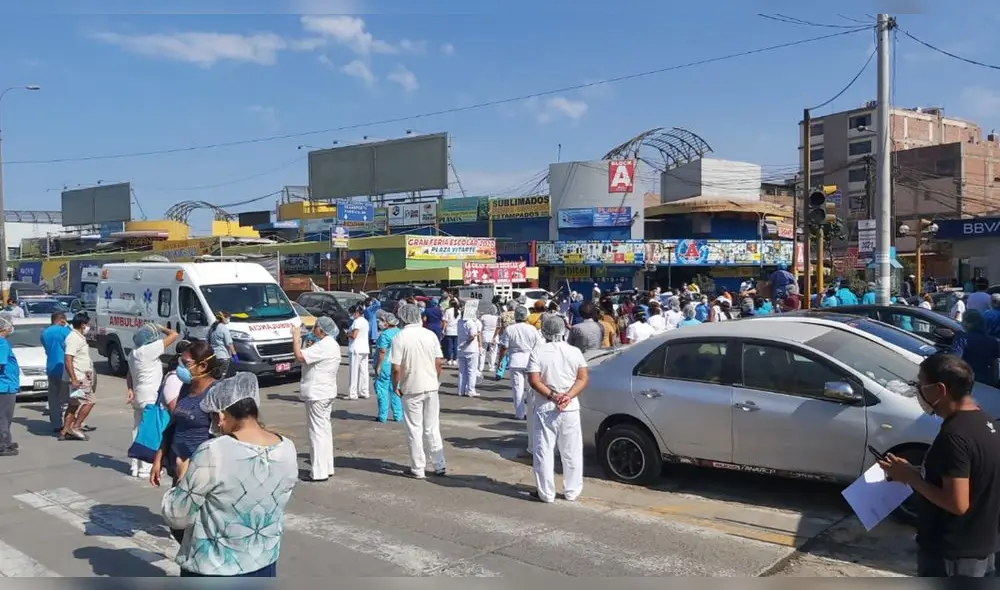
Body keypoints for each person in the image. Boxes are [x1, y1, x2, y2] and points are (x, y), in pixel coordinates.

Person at [161, 372, 297, 577]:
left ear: (222, 415)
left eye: (213, 417)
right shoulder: (287, 447)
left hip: (215, 566)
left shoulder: (213, 451)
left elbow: (178, 515)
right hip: (263, 562)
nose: (214, 424)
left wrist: (182, 476)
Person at [878, 354, 1000, 578]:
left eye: (920, 384)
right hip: (981, 546)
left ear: (939, 390)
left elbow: (957, 503)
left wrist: (911, 478)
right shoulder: (986, 421)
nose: (918, 391)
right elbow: (972, 478)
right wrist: (913, 471)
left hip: (953, 556)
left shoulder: (954, 436)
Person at [151, 341, 219, 543]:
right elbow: (172, 427)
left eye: (186, 362)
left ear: (203, 366)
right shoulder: (185, 389)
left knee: (196, 530)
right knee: (178, 526)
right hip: (177, 469)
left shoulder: (215, 393)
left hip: (201, 474)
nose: (180, 367)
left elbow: (222, 436)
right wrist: (158, 459)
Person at [526, 314, 588, 503]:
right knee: (572, 451)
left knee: (544, 450)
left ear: (543, 331)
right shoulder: (574, 351)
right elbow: (582, 378)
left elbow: (534, 380)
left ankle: (546, 493)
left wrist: (553, 396)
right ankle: (572, 491)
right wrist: (568, 396)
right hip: (569, 407)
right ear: (563, 330)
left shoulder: (538, 352)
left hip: (546, 406)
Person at [390, 304, 446, 479]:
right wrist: (434, 378)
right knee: (432, 427)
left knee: (414, 429)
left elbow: (396, 368)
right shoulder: (430, 335)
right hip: (431, 386)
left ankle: (418, 467)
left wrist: (395, 386)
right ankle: (439, 464)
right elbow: (439, 362)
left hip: (411, 386)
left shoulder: (400, 337)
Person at [126, 323, 180, 478]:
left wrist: (130, 389)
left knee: (137, 429)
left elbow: (129, 375)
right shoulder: (148, 350)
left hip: (138, 395)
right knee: (150, 430)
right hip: (150, 396)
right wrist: (161, 328)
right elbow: (174, 335)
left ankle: (135, 466)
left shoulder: (134, 352)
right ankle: (146, 467)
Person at [291, 316, 340, 482]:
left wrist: (296, 337)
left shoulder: (325, 345)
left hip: (317, 392)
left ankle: (319, 472)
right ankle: (327, 466)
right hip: (326, 391)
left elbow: (299, 356)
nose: (314, 330)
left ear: (322, 330)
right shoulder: (331, 344)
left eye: (316, 327)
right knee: (325, 430)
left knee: (316, 432)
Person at [497, 306, 542, 421]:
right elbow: (538, 346)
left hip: (515, 360)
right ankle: (533, 413)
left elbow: (504, 347)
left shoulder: (510, 329)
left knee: (517, 388)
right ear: (526, 315)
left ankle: (519, 413)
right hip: (530, 360)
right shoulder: (532, 329)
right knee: (532, 389)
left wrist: (500, 360)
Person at [62, 312, 96, 441]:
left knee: (74, 404)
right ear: (82, 325)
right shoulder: (73, 338)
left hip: (82, 374)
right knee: (90, 401)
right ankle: (76, 426)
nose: (88, 327)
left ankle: (65, 430)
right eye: (87, 324)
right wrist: (74, 378)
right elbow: (68, 359)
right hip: (79, 377)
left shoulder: (79, 337)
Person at [950, 310, 1000, 387]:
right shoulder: (993, 341)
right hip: (986, 382)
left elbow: (954, 360)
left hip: (965, 380)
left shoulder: (962, 338)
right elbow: (995, 363)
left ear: (967, 324)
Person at [40, 312, 71, 433]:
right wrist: (68, 327)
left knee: (53, 397)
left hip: (51, 366)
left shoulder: (45, 333)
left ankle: (56, 424)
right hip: (64, 367)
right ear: (62, 320)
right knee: (67, 398)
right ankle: (68, 424)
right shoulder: (65, 331)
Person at [373, 313, 403, 423]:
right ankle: (398, 415)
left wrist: (378, 366)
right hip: (397, 364)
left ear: (387, 323)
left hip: (385, 365)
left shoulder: (384, 335)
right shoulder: (400, 333)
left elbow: (382, 351)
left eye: (381, 320)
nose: (379, 322)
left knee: (382, 390)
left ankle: (382, 415)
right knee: (395, 388)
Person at [0, 317, 19, 456]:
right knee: (4, 416)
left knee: (5, 416)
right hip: (4, 386)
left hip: (7, 384)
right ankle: (3, 444)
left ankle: (6, 440)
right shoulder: (2, 343)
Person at [456, 300, 482, 398]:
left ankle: (461, 390)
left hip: (461, 349)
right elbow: (473, 336)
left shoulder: (459, 322)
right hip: (471, 349)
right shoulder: (471, 323)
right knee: (472, 370)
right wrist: (467, 343)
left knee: (462, 371)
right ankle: (471, 390)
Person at [346, 305, 370, 400]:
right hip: (364, 348)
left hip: (356, 349)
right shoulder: (365, 321)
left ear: (356, 313)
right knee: (364, 371)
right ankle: (364, 391)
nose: (352, 315)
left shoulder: (357, 322)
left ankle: (352, 393)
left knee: (354, 371)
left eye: (352, 313)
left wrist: (347, 334)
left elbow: (354, 335)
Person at [208, 312, 237, 378]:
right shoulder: (223, 328)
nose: (228, 319)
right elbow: (229, 343)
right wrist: (235, 356)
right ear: (223, 318)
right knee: (223, 378)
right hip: (223, 356)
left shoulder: (212, 328)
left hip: (214, 356)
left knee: (215, 377)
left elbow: (208, 341)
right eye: (228, 318)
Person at [478, 303, 501, 373]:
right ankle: (491, 366)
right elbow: (499, 327)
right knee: (493, 352)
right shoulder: (497, 318)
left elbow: (480, 326)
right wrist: (494, 336)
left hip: (484, 335)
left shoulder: (483, 317)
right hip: (494, 336)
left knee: (482, 351)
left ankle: (480, 367)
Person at [442, 299, 460, 367]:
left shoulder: (447, 311)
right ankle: (455, 360)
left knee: (449, 346)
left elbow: (445, 321)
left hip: (449, 331)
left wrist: (443, 329)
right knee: (455, 346)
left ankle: (449, 360)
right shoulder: (458, 311)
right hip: (456, 331)